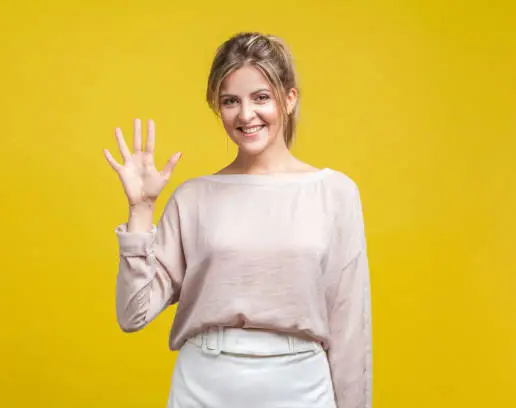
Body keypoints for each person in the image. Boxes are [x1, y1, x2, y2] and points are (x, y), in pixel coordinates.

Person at [103, 32, 372, 408]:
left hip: (301, 386)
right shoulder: (194, 197)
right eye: (231, 101)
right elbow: (133, 314)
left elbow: (350, 329)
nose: (246, 115)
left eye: (261, 97)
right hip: (204, 385)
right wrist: (141, 209)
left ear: (289, 98)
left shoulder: (334, 193)